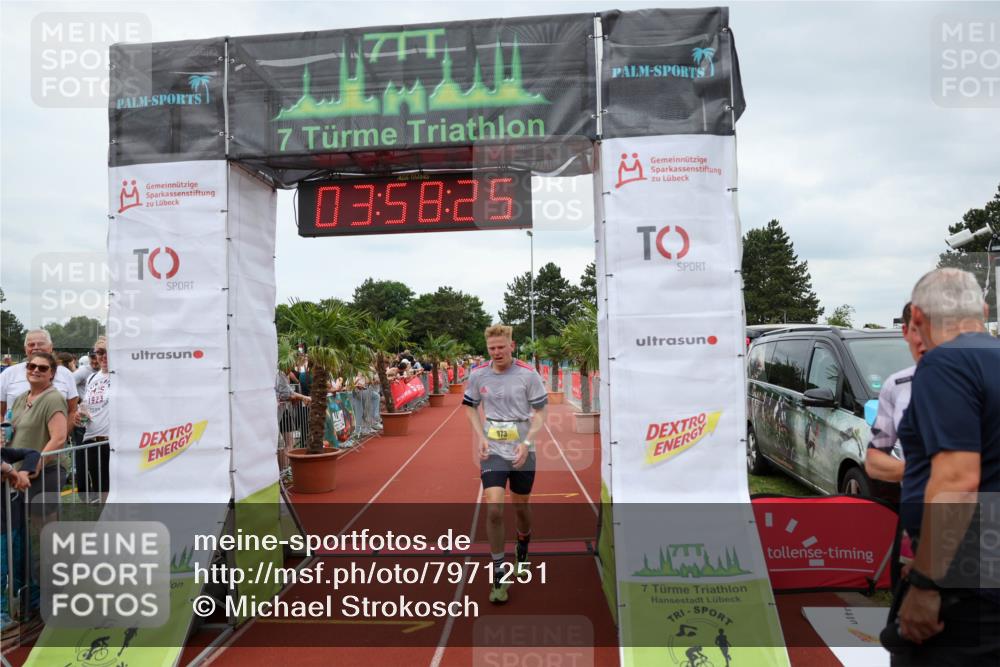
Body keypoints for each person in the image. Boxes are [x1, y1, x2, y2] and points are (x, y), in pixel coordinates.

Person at [886, 268, 1000, 665]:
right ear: (983, 310)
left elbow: (957, 479)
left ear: (917, 317)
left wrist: (926, 581)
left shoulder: (946, 363)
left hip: (966, 582)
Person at [463, 324, 547, 604]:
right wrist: (480, 436)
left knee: (521, 507)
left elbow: (540, 412)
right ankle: (499, 572)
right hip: (494, 449)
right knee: (495, 509)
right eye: (492, 348)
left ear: (512, 345)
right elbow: (469, 405)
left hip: (523, 448)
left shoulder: (528, 374)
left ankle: (523, 545)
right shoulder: (479, 375)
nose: (497, 352)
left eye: (501, 347)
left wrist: (526, 443)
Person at [866, 302, 926, 483]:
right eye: (917, 330)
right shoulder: (896, 385)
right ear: (905, 332)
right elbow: (873, 459)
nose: (926, 339)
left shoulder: (982, 378)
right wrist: (921, 471)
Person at [7, 351, 69, 499]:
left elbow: (59, 439)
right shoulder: (21, 398)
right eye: (31, 366)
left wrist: (36, 464)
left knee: (41, 521)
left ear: (52, 374)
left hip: (44, 471)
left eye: (42, 368)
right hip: (19, 471)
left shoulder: (54, 398)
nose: (35, 370)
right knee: (19, 520)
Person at [0, 330, 78, 441]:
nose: (36, 348)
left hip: (53, 445)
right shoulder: (9, 374)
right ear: (25, 349)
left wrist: (61, 438)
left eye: (41, 344)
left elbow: (72, 410)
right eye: (31, 344)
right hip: (15, 444)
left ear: (51, 347)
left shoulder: (66, 374)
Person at [76, 338, 111, 495]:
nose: (104, 356)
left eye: (109, 352)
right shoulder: (91, 378)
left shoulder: (122, 376)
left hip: (113, 442)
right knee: (100, 488)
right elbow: (85, 405)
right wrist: (79, 412)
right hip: (91, 441)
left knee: (115, 491)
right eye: (100, 352)